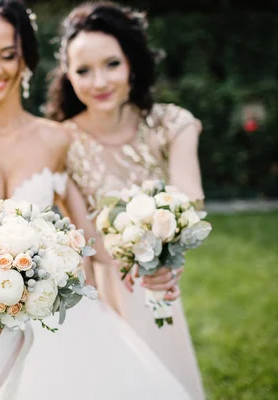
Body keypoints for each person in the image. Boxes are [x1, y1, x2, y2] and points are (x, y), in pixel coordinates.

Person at [0, 1, 192, 399]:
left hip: (58, 321)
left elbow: (90, 238)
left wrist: (147, 260)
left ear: (25, 56)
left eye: (8, 55)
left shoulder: (57, 137)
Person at [46, 2, 205, 399]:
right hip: (103, 289)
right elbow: (84, 237)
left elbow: (189, 201)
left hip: (160, 282)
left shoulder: (172, 124)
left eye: (111, 64)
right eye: (83, 70)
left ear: (132, 62)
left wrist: (161, 257)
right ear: (67, 74)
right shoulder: (60, 141)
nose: (99, 81)